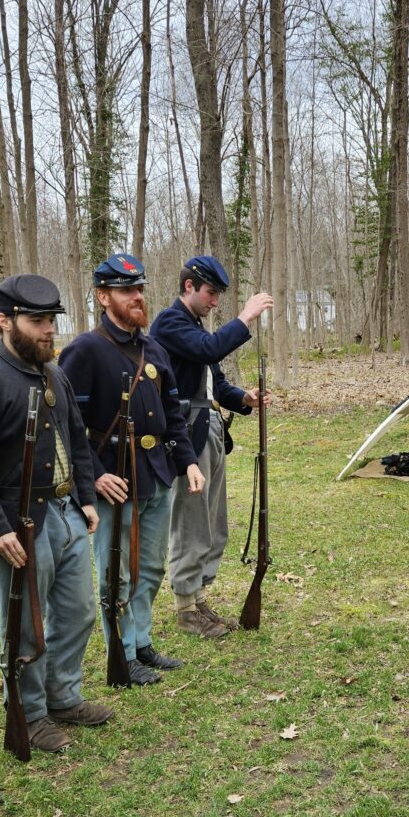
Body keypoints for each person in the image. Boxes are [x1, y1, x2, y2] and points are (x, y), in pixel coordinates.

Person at [0, 275, 113, 753]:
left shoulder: (54, 373)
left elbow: (75, 439)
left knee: (80, 611)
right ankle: (31, 713)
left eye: (51, 320)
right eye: (37, 321)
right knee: (26, 627)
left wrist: (85, 495)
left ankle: (63, 697)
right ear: (5, 321)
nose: (48, 330)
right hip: (19, 523)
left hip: (66, 511)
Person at [59, 254, 205, 684]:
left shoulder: (153, 348)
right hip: (114, 483)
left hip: (157, 475)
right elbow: (68, 426)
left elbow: (172, 416)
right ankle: (120, 657)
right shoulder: (84, 351)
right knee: (117, 573)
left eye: (139, 289)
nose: (137, 297)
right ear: (104, 297)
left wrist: (188, 461)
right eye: (126, 290)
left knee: (152, 568)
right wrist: (94, 476)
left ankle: (141, 643)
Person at [150, 256, 273, 638]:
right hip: (185, 433)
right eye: (210, 293)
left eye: (218, 295)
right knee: (191, 522)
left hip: (210, 429)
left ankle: (199, 595)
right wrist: (246, 317)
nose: (214, 302)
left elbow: (214, 383)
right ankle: (185, 606)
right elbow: (209, 351)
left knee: (213, 523)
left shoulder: (195, 328)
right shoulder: (170, 323)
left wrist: (244, 399)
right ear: (189, 286)